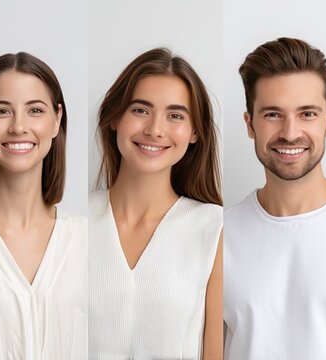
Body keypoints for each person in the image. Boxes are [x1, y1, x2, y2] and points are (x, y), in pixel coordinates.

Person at [223, 37, 326, 359]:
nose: (290, 132)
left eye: (307, 113)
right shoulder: (217, 235)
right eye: (272, 115)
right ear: (249, 124)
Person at [89, 48, 223, 359]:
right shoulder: (71, 225)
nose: (154, 129)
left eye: (175, 115)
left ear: (194, 133)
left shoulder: (214, 229)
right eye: (140, 110)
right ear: (114, 117)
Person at [0, 52, 87, 358]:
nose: (18, 127)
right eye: (2, 111)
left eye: (35, 110)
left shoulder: (90, 241)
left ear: (57, 120)